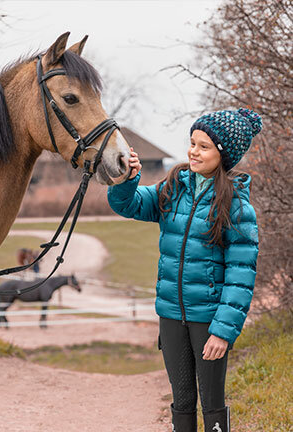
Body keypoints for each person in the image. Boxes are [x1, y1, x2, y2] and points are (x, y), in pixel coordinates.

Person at [107, 108, 262, 432]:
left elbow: (241, 275)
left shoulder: (237, 207)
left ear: (224, 154)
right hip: (170, 317)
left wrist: (223, 330)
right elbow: (129, 204)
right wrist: (127, 178)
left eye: (203, 146)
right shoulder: (174, 186)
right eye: (192, 143)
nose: (193, 151)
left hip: (208, 321)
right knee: (182, 400)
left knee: (212, 401)